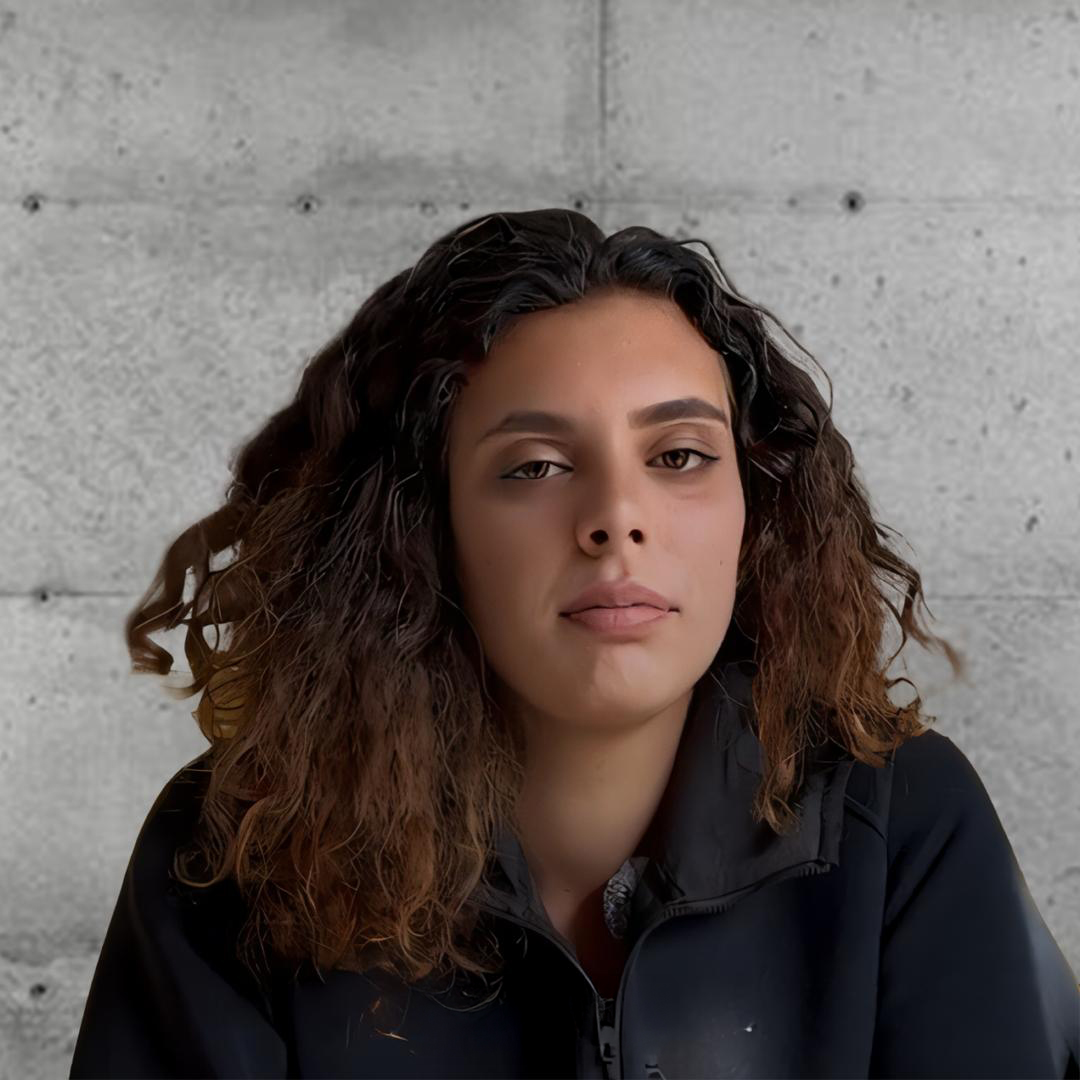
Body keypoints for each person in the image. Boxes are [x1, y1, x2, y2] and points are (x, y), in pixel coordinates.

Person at [70, 209, 1080, 1079]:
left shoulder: (902, 825)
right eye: (536, 467)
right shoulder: (232, 854)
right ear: (421, 527)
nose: (616, 518)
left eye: (679, 455)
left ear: (756, 510)